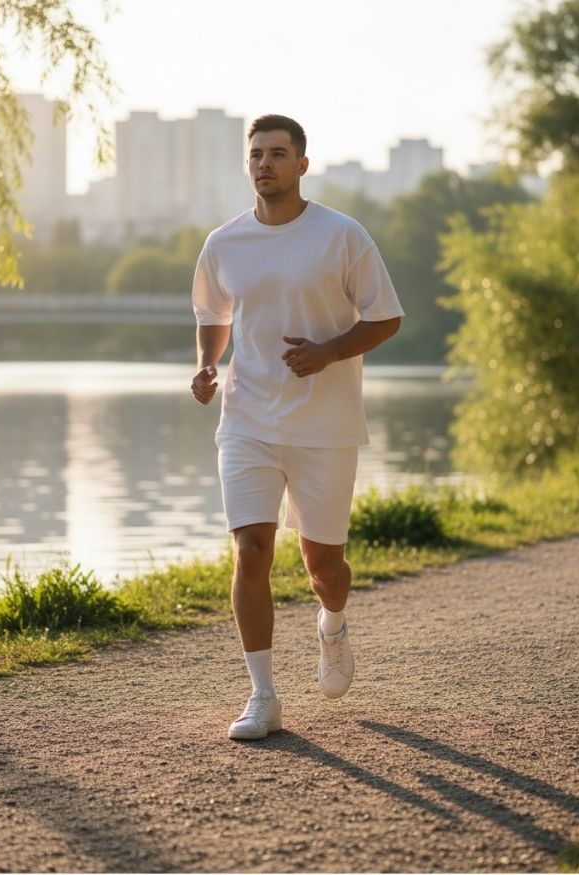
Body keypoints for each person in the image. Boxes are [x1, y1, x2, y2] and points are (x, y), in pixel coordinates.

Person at [191, 114, 404, 741]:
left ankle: (332, 624)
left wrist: (328, 352)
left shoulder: (342, 236)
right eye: (256, 154)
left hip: (326, 426)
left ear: (302, 165)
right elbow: (213, 312)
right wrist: (206, 365)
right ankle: (263, 696)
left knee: (324, 566)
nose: (265, 164)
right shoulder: (223, 243)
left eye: (278, 154)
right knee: (251, 549)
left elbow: (386, 318)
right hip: (248, 419)